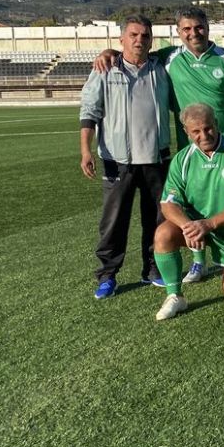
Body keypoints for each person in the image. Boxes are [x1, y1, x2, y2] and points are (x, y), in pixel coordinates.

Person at [92, 6, 224, 284]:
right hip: (191, 148)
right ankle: (198, 261)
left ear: (207, 27)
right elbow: (135, 52)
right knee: (196, 203)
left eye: (199, 27)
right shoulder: (169, 58)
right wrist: (109, 52)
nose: (194, 33)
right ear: (178, 32)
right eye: (187, 29)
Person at [80, 15, 173, 298]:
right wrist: (85, 149)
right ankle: (107, 275)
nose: (139, 40)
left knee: (156, 218)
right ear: (121, 39)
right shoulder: (105, 69)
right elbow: (89, 111)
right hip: (116, 160)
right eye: (133, 35)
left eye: (145, 35)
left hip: (156, 158)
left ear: (152, 40)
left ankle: (152, 270)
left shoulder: (162, 68)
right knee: (114, 222)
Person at [153, 104, 224, 320]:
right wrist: (188, 227)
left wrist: (209, 224)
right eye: (196, 131)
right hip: (197, 228)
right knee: (163, 234)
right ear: (186, 132)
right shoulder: (182, 159)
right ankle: (175, 296)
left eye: (208, 128)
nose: (204, 135)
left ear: (216, 124)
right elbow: (168, 204)